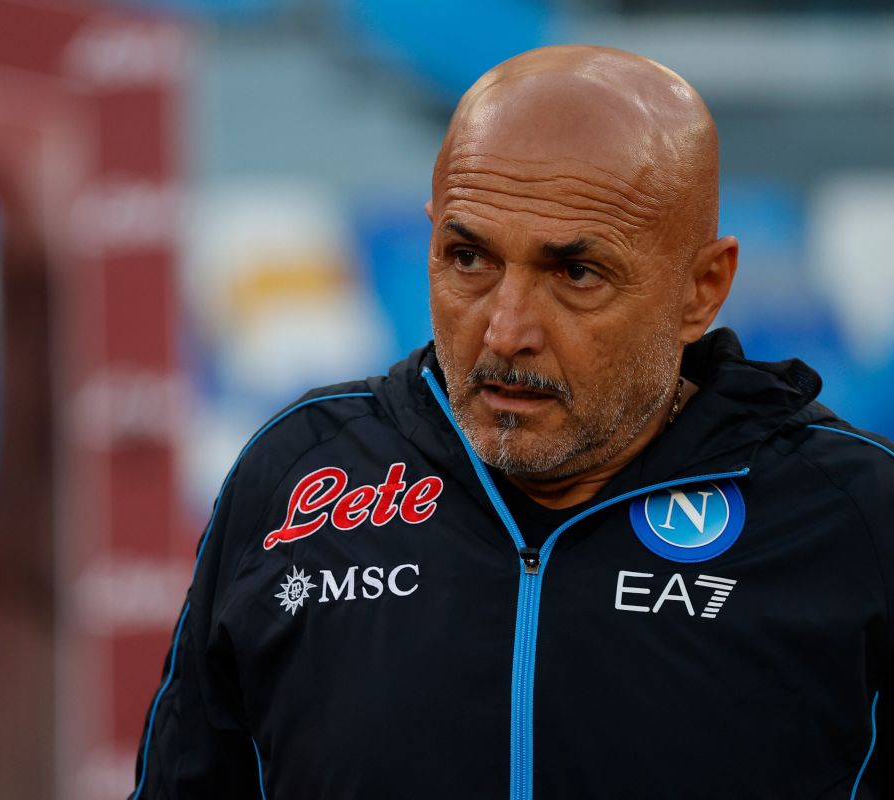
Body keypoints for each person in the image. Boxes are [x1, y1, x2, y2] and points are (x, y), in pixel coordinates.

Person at [130, 45, 893, 799]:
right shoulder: (298, 476)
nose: (505, 331)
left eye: (576, 274)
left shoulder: (855, 516)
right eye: (469, 258)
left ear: (702, 289)